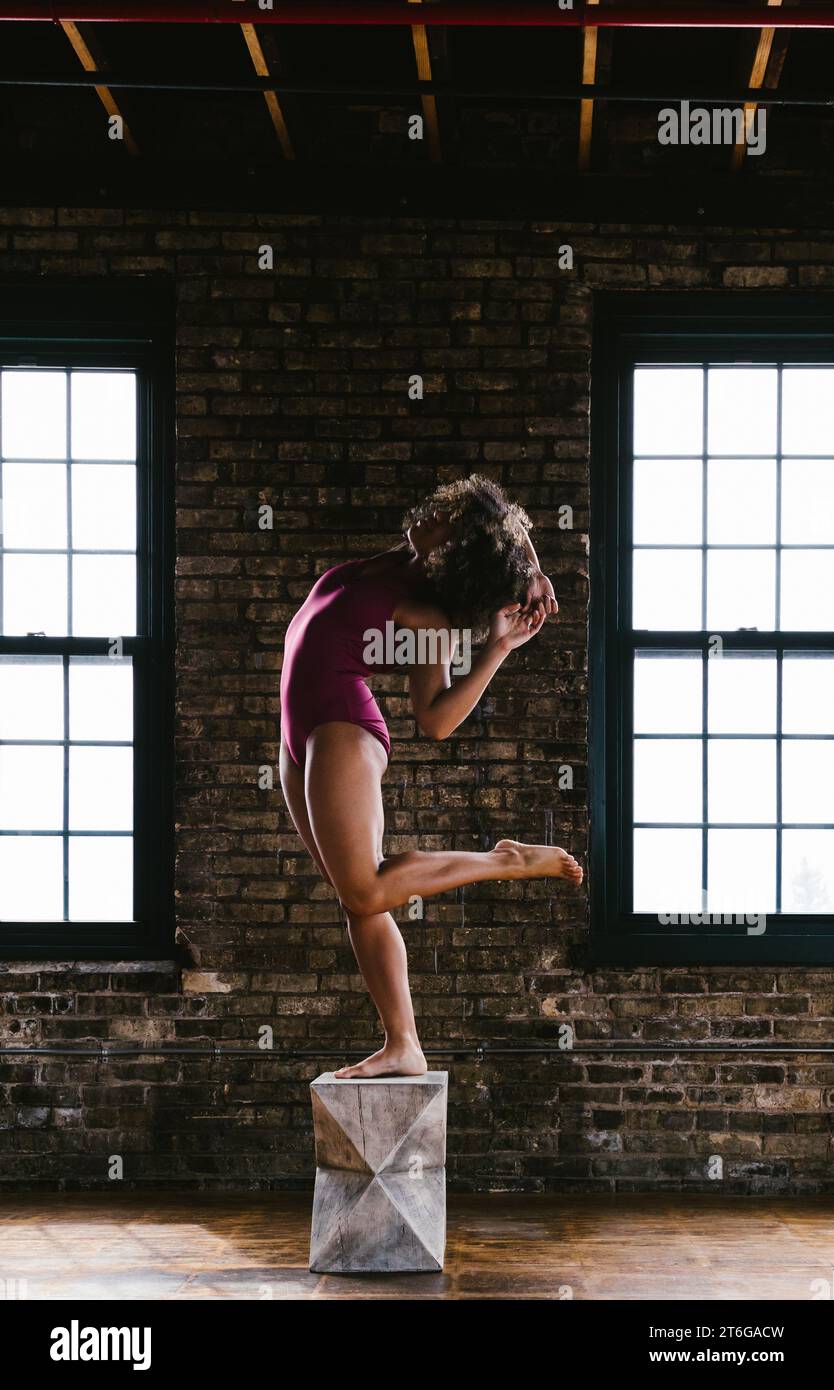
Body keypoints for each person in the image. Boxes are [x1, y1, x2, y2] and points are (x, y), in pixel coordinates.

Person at [279, 475, 583, 1079]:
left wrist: (496, 650)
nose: (431, 516)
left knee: (366, 889)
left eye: (447, 523)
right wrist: (536, 570)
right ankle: (403, 1045)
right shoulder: (403, 558)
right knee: (358, 899)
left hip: (341, 725)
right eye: (445, 511)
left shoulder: (427, 616)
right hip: (297, 730)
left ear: (462, 556)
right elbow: (505, 517)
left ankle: (509, 861)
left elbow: (436, 720)